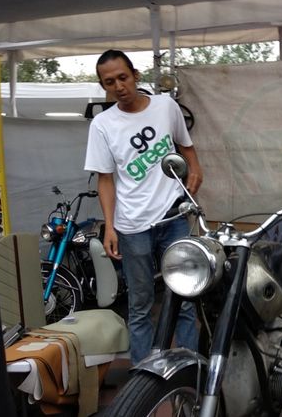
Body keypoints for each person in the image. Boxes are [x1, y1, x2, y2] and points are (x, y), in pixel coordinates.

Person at [84, 49, 203, 363]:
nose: (119, 86)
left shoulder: (166, 107)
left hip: (173, 214)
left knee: (185, 299)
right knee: (140, 305)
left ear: (135, 75)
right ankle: (143, 376)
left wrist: (196, 169)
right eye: (109, 82)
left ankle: (189, 368)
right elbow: (106, 180)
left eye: (123, 77)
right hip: (132, 225)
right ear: (104, 86)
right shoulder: (102, 125)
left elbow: (186, 146)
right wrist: (109, 226)